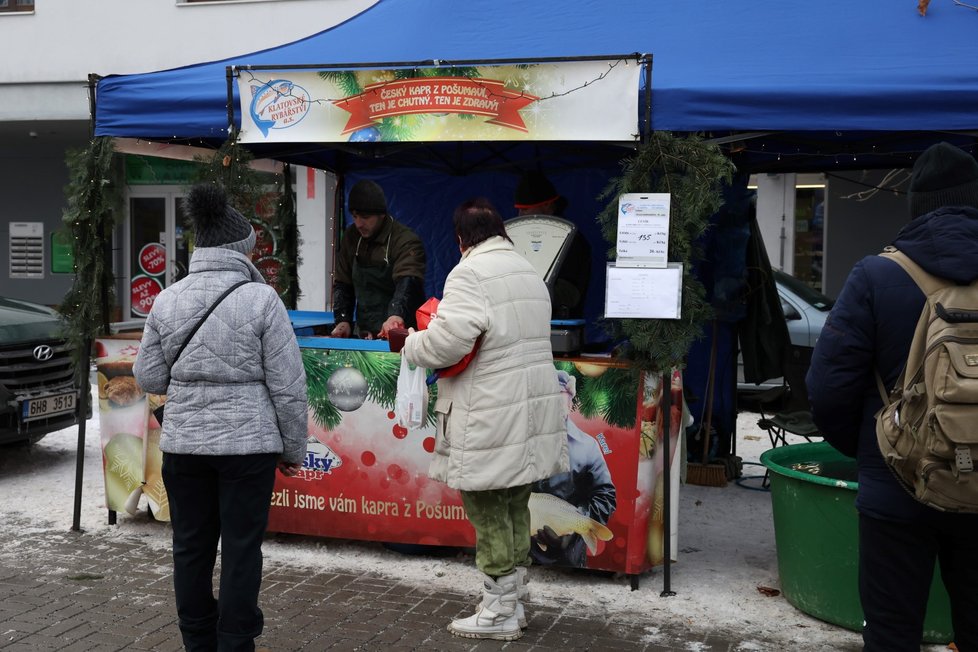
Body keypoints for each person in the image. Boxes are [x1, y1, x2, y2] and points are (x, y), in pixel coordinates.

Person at [806, 142, 978, 652]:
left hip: (897, 486)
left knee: (892, 632)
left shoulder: (878, 275)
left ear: (916, 205)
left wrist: (873, 450)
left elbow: (827, 387)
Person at [134, 183, 309, 652]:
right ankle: (235, 643)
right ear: (241, 251)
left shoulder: (168, 300)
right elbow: (289, 386)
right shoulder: (262, 300)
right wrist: (293, 449)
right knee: (240, 549)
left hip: (184, 447)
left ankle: (197, 642)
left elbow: (149, 374)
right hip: (248, 449)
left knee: (190, 547)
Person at [402, 198, 569, 641]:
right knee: (514, 504)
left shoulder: (469, 273)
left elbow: (448, 344)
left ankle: (496, 612)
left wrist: (410, 342)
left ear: (461, 240)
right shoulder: (529, 272)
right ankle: (512, 604)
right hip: (529, 411)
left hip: (491, 413)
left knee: (488, 506)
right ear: (503, 231)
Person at [530, 370, 616, 568]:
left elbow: (606, 496)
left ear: (569, 404)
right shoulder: (523, 440)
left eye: (559, 400)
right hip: (524, 547)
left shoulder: (588, 446)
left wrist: (578, 523)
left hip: (571, 553)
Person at [330, 179, 426, 340]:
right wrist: (343, 319)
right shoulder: (351, 237)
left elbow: (408, 281)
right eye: (355, 216)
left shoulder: (405, 241)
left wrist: (396, 316)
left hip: (402, 334)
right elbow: (343, 282)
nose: (359, 223)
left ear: (382, 214)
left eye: (366, 217)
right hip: (365, 332)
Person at [513, 169, 591, 319]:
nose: (520, 216)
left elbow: (570, 295)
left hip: (558, 327)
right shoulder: (522, 240)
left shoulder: (572, 241)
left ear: (548, 206)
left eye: (525, 210)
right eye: (519, 211)